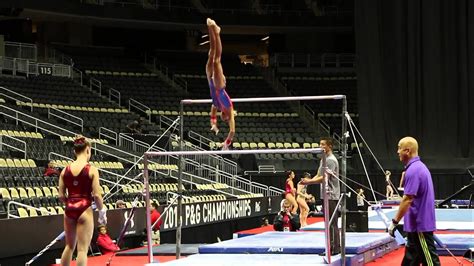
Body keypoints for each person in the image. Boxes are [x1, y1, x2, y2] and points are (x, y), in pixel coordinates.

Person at [388, 137, 440, 266]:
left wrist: (394, 222)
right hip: (414, 224)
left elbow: (407, 199)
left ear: (407, 150)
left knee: (430, 261)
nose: (397, 151)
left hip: (419, 225)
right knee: (410, 260)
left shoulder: (414, 170)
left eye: (399, 148)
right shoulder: (417, 167)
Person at [58, 135, 106, 266]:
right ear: (88, 150)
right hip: (84, 208)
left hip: (69, 209)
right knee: (82, 250)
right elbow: (96, 195)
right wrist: (102, 211)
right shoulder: (92, 169)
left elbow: (61, 195)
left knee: (69, 246)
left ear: (74, 151)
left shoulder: (64, 170)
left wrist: (71, 203)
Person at [301, 137, 341, 255]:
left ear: (330, 146)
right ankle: (332, 247)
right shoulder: (323, 159)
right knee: (328, 223)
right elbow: (318, 175)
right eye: (320, 144)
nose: (321, 146)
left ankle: (334, 248)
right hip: (326, 194)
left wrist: (308, 182)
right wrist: (306, 182)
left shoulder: (331, 160)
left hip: (331, 195)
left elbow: (324, 178)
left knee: (331, 223)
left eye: (323, 144)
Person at [206, 18, 235, 150]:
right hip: (219, 86)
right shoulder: (229, 109)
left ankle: (210, 29)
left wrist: (213, 123)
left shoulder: (217, 105)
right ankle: (217, 32)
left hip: (210, 83)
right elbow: (233, 131)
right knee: (217, 60)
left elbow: (212, 111)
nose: (223, 117)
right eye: (225, 119)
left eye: (221, 118)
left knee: (211, 54)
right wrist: (226, 143)